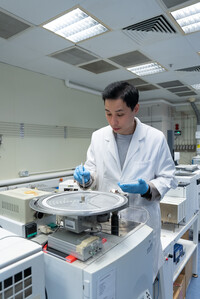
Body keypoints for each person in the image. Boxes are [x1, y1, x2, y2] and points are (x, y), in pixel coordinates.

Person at [74, 81, 177, 280]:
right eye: (108, 113)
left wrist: (148, 188)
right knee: (111, 277)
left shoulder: (155, 138)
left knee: (141, 277)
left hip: (142, 219)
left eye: (120, 114)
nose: (113, 121)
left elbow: (168, 176)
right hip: (105, 222)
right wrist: (86, 178)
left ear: (135, 108)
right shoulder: (98, 137)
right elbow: (92, 172)